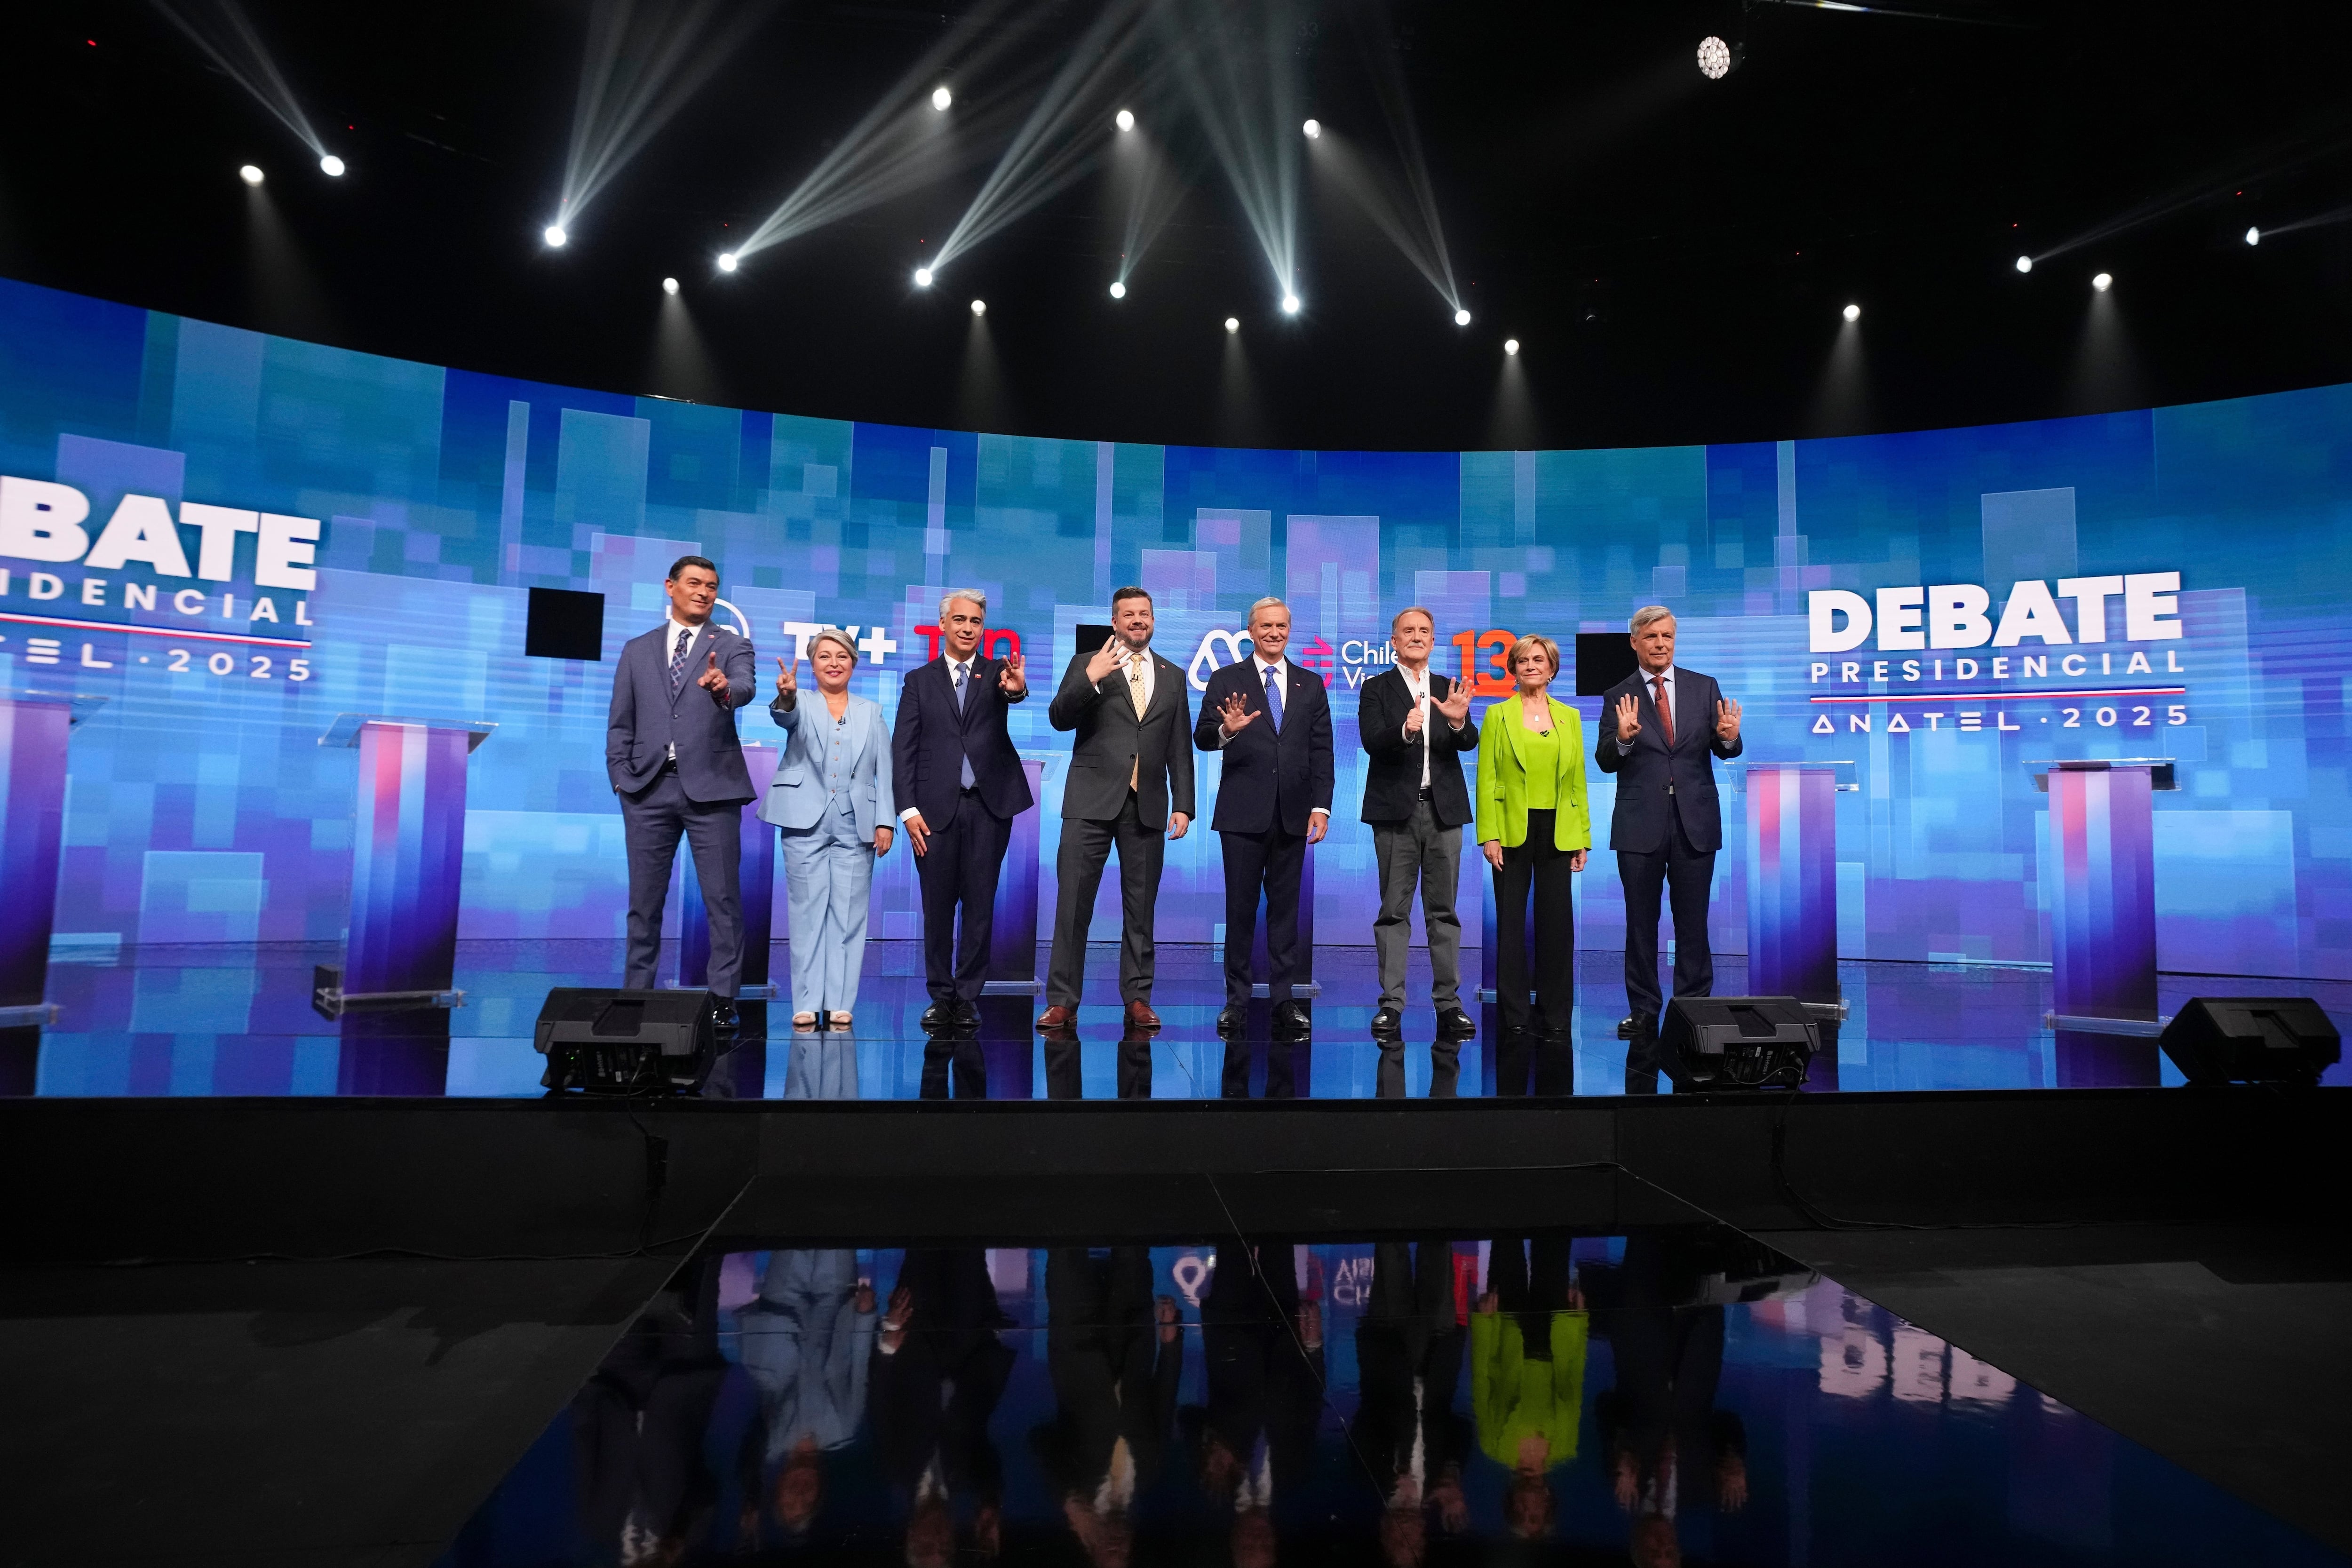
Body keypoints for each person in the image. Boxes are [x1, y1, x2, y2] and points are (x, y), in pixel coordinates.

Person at [606, 554, 757, 1032]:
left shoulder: (731, 644)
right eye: (694, 583)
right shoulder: (637, 649)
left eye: (711, 586)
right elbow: (620, 722)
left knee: (723, 901)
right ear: (669, 587)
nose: (704, 592)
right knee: (644, 903)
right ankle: (636, 997)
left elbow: (744, 687)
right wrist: (619, 776)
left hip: (712, 789)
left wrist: (722, 690)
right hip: (647, 789)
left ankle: (723, 1000)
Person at [1039, 586, 1195, 1032]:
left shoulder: (1172, 674)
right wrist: (1090, 677)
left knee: (1141, 909)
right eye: (1128, 614)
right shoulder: (1089, 662)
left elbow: (1179, 746)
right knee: (1072, 906)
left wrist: (1183, 804)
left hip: (1146, 804)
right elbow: (1059, 716)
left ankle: (1138, 997)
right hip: (1090, 801)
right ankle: (1063, 1001)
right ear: (1115, 621)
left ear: (1153, 619)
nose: (1137, 621)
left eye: (1144, 614)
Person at [1593, 606, 1742, 1049]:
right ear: (1634, 642)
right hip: (1640, 825)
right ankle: (1643, 1010)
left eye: (1668, 636)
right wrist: (1623, 738)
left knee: (1693, 920)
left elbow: (1724, 748)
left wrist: (1730, 736)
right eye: (1652, 636)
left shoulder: (1704, 686)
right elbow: (1604, 760)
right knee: (1641, 923)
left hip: (1695, 821)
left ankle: (1693, 1007)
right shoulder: (1618, 694)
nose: (1661, 644)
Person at [1193, 597, 1334, 1038]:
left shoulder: (1311, 684)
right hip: (1241, 813)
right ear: (1250, 631)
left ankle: (1284, 999)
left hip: (1294, 813)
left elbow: (1322, 750)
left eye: (1282, 626)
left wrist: (1321, 805)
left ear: (1289, 630)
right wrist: (1226, 731)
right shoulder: (1225, 679)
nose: (1274, 633)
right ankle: (1235, 1001)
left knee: (1285, 913)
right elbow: (1201, 737)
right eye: (1266, 626)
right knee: (1240, 909)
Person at [892, 589, 1032, 1031]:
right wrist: (906, 809)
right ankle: (940, 994)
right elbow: (903, 750)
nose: (968, 628)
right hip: (932, 810)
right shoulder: (919, 680)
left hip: (989, 806)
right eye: (960, 620)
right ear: (943, 625)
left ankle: (968, 995)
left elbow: (1014, 694)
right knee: (937, 907)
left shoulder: (998, 672)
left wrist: (1018, 689)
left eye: (976, 621)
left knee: (979, 904)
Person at [762, 628, 894, 1031]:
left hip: (857, 822)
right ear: (813, 663)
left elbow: (884, 770)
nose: (834, 663)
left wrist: (885, 819)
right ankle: (805, 1001)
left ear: (854, 662)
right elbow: (785, 714)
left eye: (842, 656)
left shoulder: (872, 711)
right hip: (805, 819)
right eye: (824, 656)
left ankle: (839, 1002)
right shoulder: (799, 700)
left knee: (850, 915)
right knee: (805, 912)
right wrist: (786, 694)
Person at [1358, 607, 1479, 1041]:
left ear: (1432, 640)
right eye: (1408, 631)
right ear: (1393, 640)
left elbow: (1468, 742)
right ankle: (1391, 1005)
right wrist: (1406, 730)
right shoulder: (1376, 688)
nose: (1416, 637)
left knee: (1444, 911)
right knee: (1394, 912)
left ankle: (1449, 1004)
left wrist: (1459, 719)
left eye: (1424, 631)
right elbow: (1372, 740)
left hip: (1444, 811)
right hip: (1395, 812)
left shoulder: (1449, 686)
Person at [1474, 635, 1591, 1058]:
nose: (1530, 666)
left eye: (1538, 660)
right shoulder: (1497, 714)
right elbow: (1486, 778)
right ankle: (1516, 1015)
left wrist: (1583, 837)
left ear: (1552, 667)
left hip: (1560, 829)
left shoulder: (1570, 716)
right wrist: (1488, 833)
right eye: (1522, 660)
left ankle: (1556, 1014)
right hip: (1510, 829)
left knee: (1557, 923)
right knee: (1510, 923)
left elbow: (1577, 779)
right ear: (1513, 668)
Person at [1472, 1234, 1589, 1542]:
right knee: (1553, 1242)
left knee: (1507, 1240)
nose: (1527, 1509)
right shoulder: (1565, 1446)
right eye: (1534, 1516)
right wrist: (1578, 1321)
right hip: (1554, 1334)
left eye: (1519, 1514)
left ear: (1510, 1504)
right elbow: (1574, 1379)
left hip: (1509, 1330)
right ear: (1549, 1505)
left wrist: (1484, 1323)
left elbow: (1481, 1381)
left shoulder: (1494, 1446)